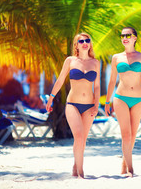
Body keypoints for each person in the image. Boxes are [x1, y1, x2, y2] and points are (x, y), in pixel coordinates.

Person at [105, 27, 141, 177]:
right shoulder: (116, 57)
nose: (124, 37)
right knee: (126, 135)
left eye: (128, 35)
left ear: (135, 38)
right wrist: (107, 101)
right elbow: (111, 81)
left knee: (133, 135)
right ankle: (131, 169)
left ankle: (124, 165)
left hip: (139, 100)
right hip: (120, 98)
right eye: (122, 35)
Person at [46, 32, 100, 179]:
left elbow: (97, 87)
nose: (85, 43)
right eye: (81, 41)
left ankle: (76, 166)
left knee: (83, 139)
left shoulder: (95, 63)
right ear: (76, 45)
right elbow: (60, 80)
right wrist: (51, 98)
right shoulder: (70, 61)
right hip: (72, 104)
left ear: (90, 43)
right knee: (78, 136)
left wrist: (96, 105)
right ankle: (81, 172)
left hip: (89, 106)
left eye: (87, 40)